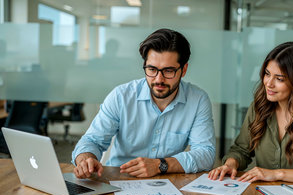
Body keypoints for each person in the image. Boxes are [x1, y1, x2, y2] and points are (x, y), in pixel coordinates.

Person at [72, 28, 215, 179]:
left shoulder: (198, 100)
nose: (159, 79)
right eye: (152, 69)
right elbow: (92, 140)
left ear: (183, 69)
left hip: (168, 182)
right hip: (120, 179)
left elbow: (205, 153)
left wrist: (159, 165)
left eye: (168, 71)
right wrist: (85, 160)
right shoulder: (121, 96)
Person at [208, 42, 293, 186]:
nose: (269, 83)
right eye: (267, 74)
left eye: (279, 79)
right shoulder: (259, 105)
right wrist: (231, 164)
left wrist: (277, 174)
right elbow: (241, 149)